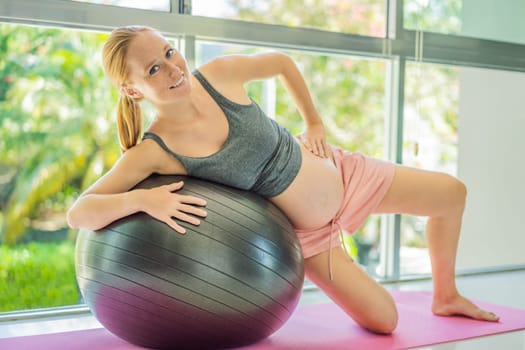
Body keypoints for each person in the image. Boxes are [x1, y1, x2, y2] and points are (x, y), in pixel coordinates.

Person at [67, 25, 499, 334]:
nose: (172, 68)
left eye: (168, 52)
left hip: (343, 173)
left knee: (451, 194)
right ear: (132, 91)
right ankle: (349, 268)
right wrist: (143, 202)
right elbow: (79, 212)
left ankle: (446, 294)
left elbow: (282, 64)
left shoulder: (218, 76)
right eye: (153, 70)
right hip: (310, 238)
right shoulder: (156, 150)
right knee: (386, 321)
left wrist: (313, 124)